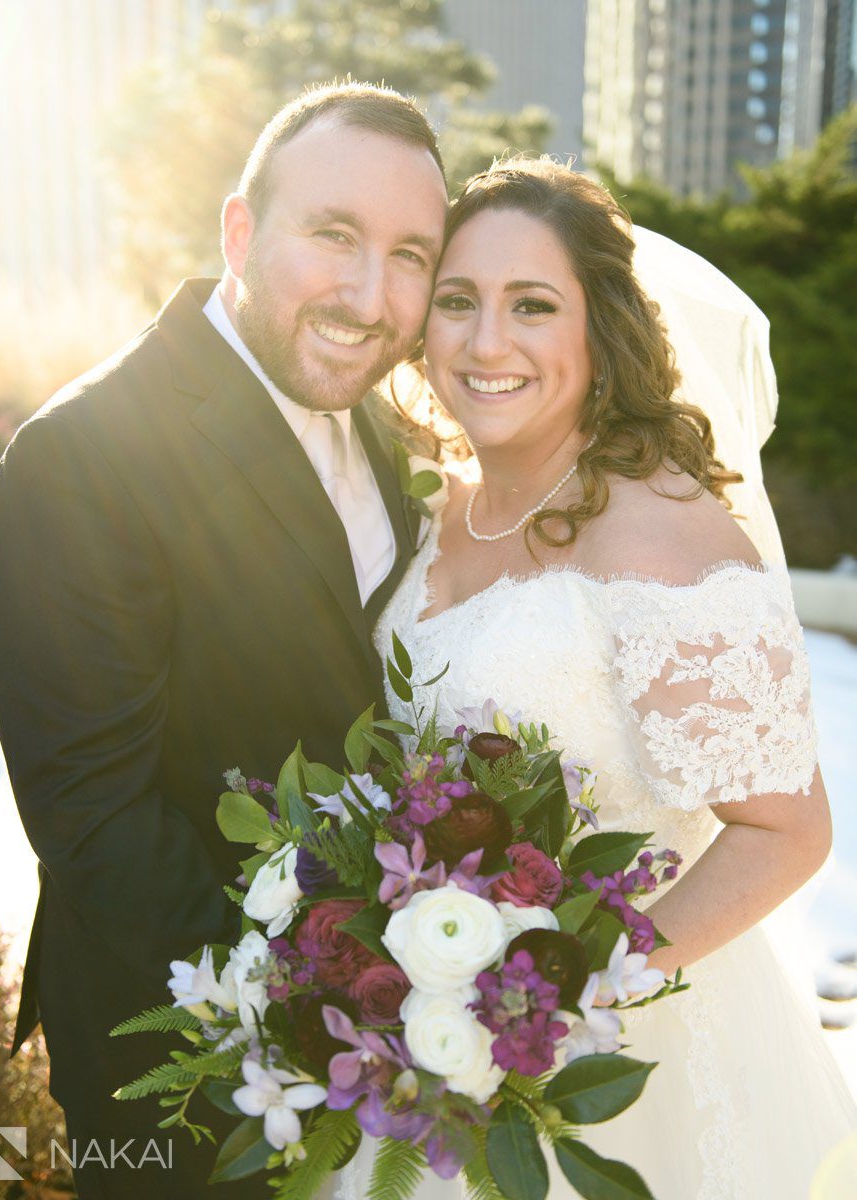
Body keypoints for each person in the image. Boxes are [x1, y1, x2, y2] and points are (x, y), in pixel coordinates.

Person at [0, 81, 447, 1199]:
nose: (369, 294)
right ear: (240, 230)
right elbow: (97, 823)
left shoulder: (376, 417)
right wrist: (341, 1003)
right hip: (182, 1064)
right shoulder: (82, 458)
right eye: (334, 235)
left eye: (411, 256)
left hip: (396, 1052)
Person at [363, 158, 856, 1198]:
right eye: (458, 302)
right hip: (429, 1049)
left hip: (626, 1067)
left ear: (601, 327)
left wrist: (571, 990)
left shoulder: (656, 530)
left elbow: (788, 829)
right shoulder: (430, 505)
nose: (486, 341)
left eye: (532, 305)